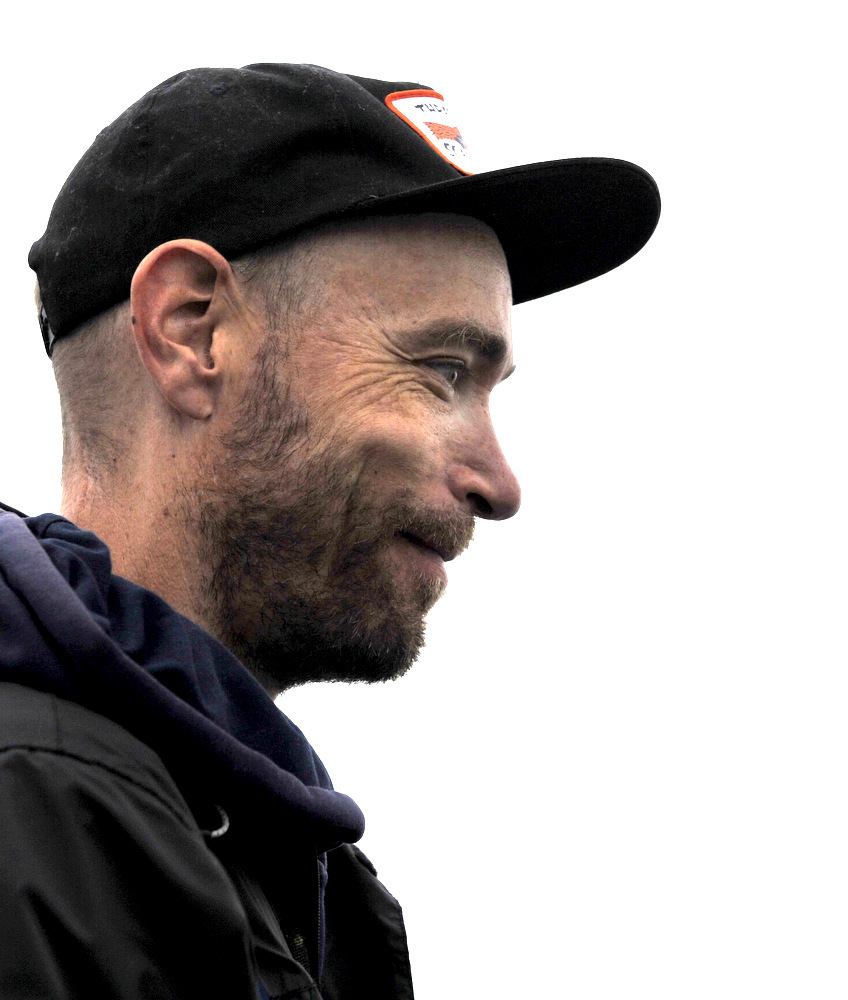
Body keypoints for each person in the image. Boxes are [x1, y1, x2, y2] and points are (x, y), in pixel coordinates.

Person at [0, 63, 660, 998]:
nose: (500, 484)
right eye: (441, 371)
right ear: (191, 331)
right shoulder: (32, 815)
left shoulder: (256, 858)